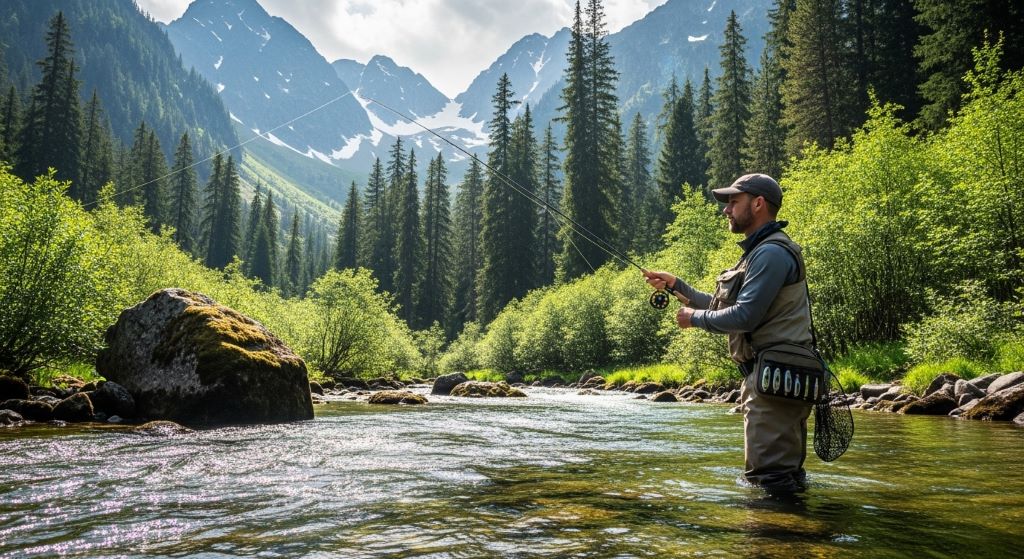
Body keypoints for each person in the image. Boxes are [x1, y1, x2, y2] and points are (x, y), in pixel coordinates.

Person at [644, 173, 814, 494]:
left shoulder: (770, 254)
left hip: (774, 383)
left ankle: (776, 541)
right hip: (774, 379)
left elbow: (745, 316)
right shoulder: (761, 252)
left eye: (734, 202)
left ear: (759, 204)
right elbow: (726, 305)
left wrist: (694, 318)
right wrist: (676, 285)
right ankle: (794, 537)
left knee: (769, 482)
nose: (726, 210)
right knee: (781, 478)